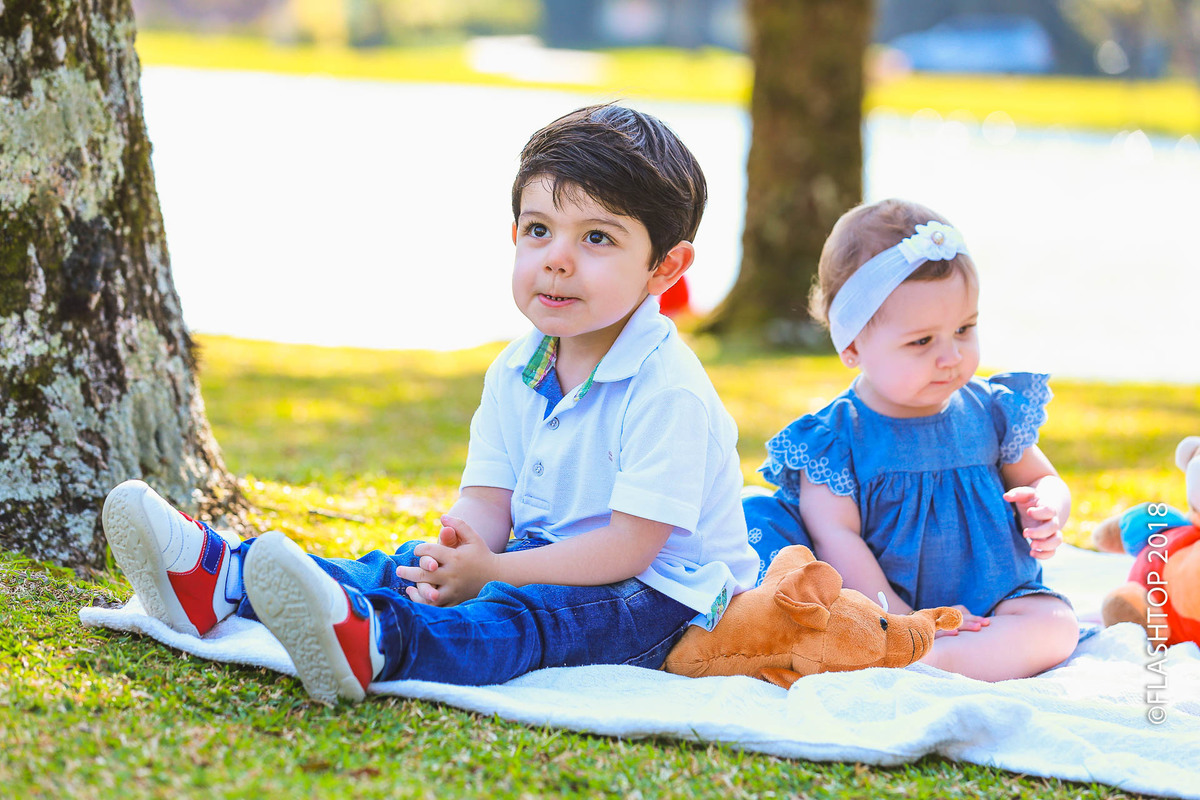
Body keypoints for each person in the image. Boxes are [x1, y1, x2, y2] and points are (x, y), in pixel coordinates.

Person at [101, 103, 760, 704]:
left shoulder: (666, 387)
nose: (557, 260)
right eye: (539, 229)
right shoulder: (517, 368)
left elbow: (629, 548)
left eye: (597, 238)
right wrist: (457, 551)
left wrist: (496, 570)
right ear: (514, 234)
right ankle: (221, 579)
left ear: (665, 268)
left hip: (663, 597)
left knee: (522, 618)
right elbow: (489, 501)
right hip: (542, 553)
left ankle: (380, 643)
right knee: (404, 565)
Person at [742, 198, 1078, 681]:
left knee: (1056, 625)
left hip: (993, 597)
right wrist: (899, 619)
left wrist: (1047, 509)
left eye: (964, 329)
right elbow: (837, 537)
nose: (951, 356)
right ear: (852, 345)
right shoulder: (836, 438)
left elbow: (1043, 478)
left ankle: (939, 660)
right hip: (882, 604)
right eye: (922, 341)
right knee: (824, 604)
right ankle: (911, 649)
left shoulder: (990, 410)